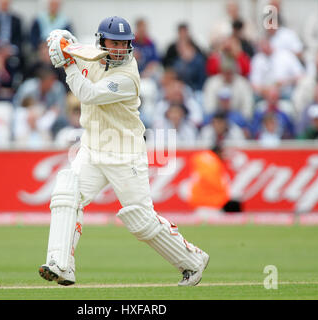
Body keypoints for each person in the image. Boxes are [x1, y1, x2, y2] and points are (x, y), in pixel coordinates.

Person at [39, 16, 209, 287]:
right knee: (67, 195)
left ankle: (193, 261)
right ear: (102, 41)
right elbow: (69, 45)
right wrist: (60, 38)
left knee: (140, 220)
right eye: (113, 42)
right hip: (93, 148)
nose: (118, 48)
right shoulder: (94, 55)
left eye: (123, 43)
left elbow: (89, 94)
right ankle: (61, 265)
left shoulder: (128, 75)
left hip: (124, 154)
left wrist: (68, 65)